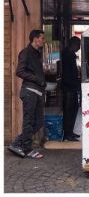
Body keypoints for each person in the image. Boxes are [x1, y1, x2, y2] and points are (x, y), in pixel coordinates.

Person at [9, 30, 47, 159]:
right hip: (29, 91)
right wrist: (37, 79)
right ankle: (27, 148)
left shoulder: (37, 53)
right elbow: (19, 71)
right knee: (29, 121)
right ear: (35, 39)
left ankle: (17, 144)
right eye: (42, 38)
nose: (43, 40)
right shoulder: (26, 52)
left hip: (37, 92)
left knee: (39, 122)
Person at [61, 36, 81, 142]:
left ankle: (70, 132)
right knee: (69, 111)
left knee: (73, 110)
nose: (79, 47)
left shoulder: (70, 55)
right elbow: (69, 74)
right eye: (78, 45)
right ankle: (67, 134)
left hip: (71, 86)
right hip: (69, 87)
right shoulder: (68, 55)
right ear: (73, 45)